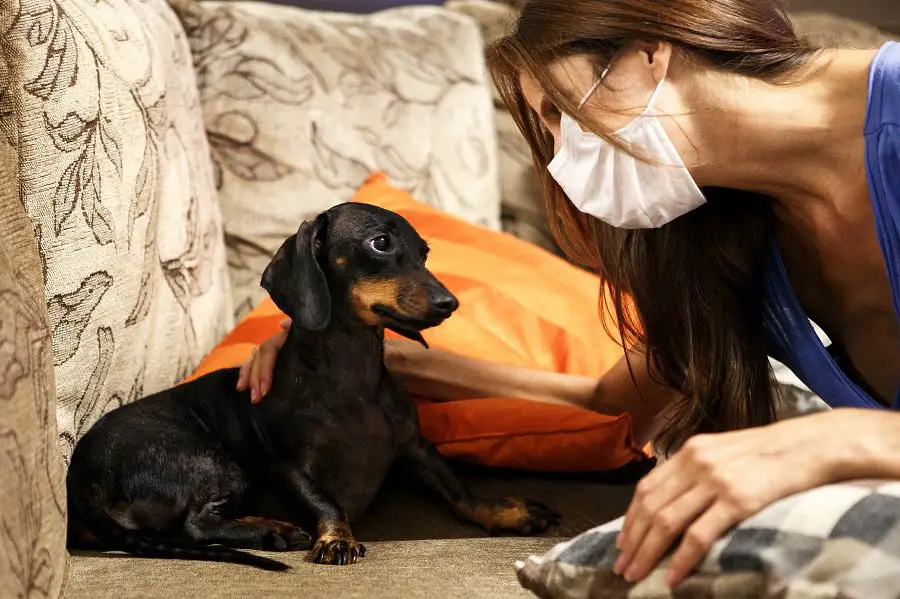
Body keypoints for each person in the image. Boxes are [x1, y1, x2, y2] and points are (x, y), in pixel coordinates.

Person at [236, 0, 900, 589]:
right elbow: (601, 400)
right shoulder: (730, 235)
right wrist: (344, 347)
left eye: (558, 114)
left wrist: (831, 440)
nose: (559, 159)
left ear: (647, 50)